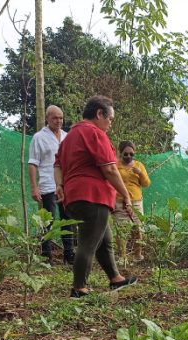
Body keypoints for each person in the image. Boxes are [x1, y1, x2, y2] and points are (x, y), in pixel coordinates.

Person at [54, 96, 137, 299]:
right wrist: (125, 195)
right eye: (110, 118)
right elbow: (109, 169)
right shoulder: (94, 133)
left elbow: (57, 164)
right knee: (88, 242)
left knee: (104, 239)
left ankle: (115, 278)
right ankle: (79, 289)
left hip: (74, 196)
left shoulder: (71, 136)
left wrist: (60, 185)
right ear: (100, 113)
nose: (110, 124)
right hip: (92, 195)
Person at [28, 105, 74, 265]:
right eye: (55, 118)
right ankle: (46, 256)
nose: (58, 121)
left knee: (67, 220)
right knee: (48, 222)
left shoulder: (68, 137)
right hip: (47, 185)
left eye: (61, 118)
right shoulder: (39, 137)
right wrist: (34, 186)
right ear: (47, 118)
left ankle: (69, 255)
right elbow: (33, 163)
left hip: (66, 185)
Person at [112, 141, 150, 262]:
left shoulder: (138, 165)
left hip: (136, 201)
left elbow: (146, 184)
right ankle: (122, 257)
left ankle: (138, 256)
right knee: (122, 229)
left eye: (131, 154)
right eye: (126, 154)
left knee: (136, 229)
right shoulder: (115, 164)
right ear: (120, 153)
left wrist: (141, 174)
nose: (129, 157)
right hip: (119, 200)